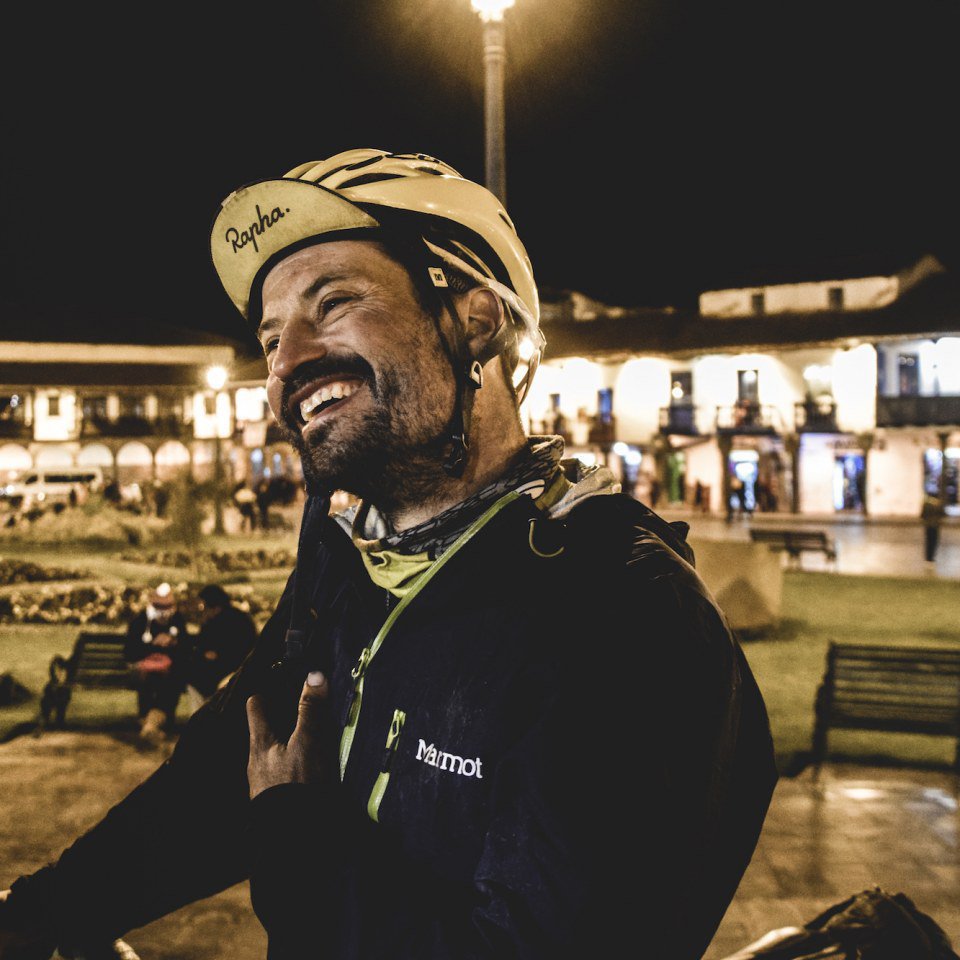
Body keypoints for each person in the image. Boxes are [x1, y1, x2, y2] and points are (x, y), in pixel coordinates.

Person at [0, 149, 777, 960]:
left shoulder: (622, 612)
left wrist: (298, 845)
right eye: (271, 338)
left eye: (333, 303)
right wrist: (43, 914)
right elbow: (231, 770)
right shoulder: (347, 567)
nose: (285, 364)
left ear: (477, 321)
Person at [122, 582, 190, 745]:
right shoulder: (140, 622)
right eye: (160, 606)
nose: (164, 611)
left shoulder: (177, 621)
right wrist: (153, 645)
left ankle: (148, 723)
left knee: (170, 680)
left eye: (167, 606)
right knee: (157, 681)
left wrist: (173, 643)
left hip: (169, 673)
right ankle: (153, 724)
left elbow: (186, 650)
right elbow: (130, 653)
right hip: (146, 672)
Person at [185, 585, 258, 712]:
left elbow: (238, 651)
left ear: (214, 607)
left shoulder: (237, 621)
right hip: (217, 671)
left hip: (234, 671)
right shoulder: (215, 621)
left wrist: (213, 655)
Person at [920, 491, 946, 564]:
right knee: (934, 541)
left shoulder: (926, 504)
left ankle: (927, 557)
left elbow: (922, 515)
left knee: (928, 541)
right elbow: (943, 514)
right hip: (936, 525)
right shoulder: (939, 504)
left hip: (928, 525)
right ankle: (932, 557)